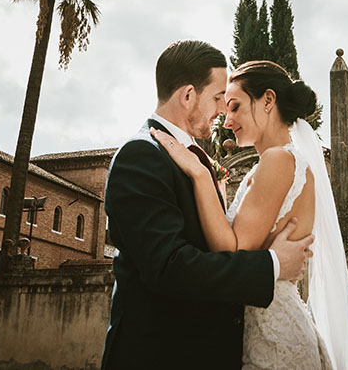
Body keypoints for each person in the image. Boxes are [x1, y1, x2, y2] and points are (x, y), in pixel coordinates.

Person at [101, 41, 315, 370]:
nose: (222, 114)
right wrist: (273, 265)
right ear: (188, 96)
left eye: (230, 104)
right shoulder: (141, 155)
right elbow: (170, 267)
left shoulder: (191, 158)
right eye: (218, 99)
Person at [155, 60, 348, 370]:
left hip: (273, 341)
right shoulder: (278, 162)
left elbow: (234, 250)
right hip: (268, 327)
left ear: (268, 100)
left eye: (235, 107)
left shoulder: (278, 159)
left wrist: (200, 176)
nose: (227, 120)